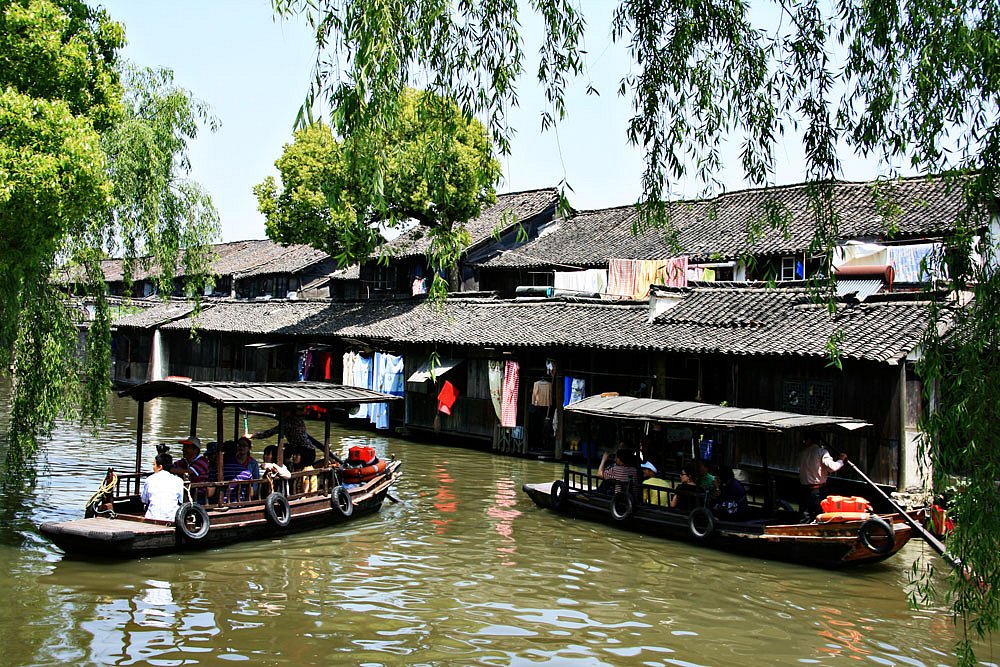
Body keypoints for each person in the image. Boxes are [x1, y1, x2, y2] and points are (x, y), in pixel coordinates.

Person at [798, 430, 847, 521]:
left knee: (805, 517)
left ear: (809, 440)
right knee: (820, 517)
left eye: (805, 439)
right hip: (817, 490)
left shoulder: (803, 453)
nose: (804, 442)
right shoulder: (821, 452)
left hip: (804, 489)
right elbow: (832, 467)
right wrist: (841, 460)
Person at [247, 407, 321, 451]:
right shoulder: (298, 419)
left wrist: (252, 435)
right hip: (307, 449)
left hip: (304, 451)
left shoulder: (288, 423)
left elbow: (269, 433)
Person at [141, 450, 184, 522]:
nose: (153, 467)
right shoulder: (178, 480)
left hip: (152, 517)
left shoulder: (150, 479)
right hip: (171, 518)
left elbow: (144, 500)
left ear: (160, 467)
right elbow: (181, 500)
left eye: (154, 465)